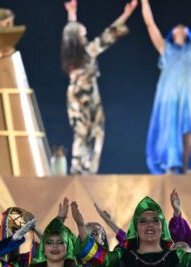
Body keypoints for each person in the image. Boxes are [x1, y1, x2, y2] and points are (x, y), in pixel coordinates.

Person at [142, 0, 191, 175]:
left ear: (187, 33)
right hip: (169, 95)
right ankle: (171, 167)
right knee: (171, 129)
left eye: (183, 27)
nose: (180, 27)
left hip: (189, 95)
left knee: (189, 129)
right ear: (172, 32)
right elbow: (150, 25)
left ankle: (185, 167)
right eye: (176, 26)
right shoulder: (166, 48)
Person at [62, 0, 138, 175]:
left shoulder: (72, 56)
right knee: (93, 131)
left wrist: (72, 13)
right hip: (86, 94)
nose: (85, 32)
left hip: (76, 94)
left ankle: (79, 167)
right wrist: (127, 13)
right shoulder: (86, 52)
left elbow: (70, 32)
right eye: (83, 32)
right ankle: (85, 168)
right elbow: (107, 36)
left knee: (81, 132)